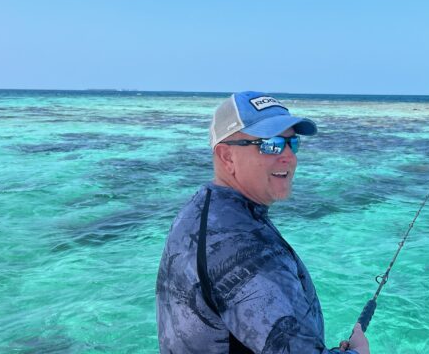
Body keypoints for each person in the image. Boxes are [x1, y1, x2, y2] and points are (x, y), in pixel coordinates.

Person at [156, 91, 370, 354]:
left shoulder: (201, 210)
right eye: (271, 144)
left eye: (293, 143)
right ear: (227, 156)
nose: (289, 157)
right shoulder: (246, 250)